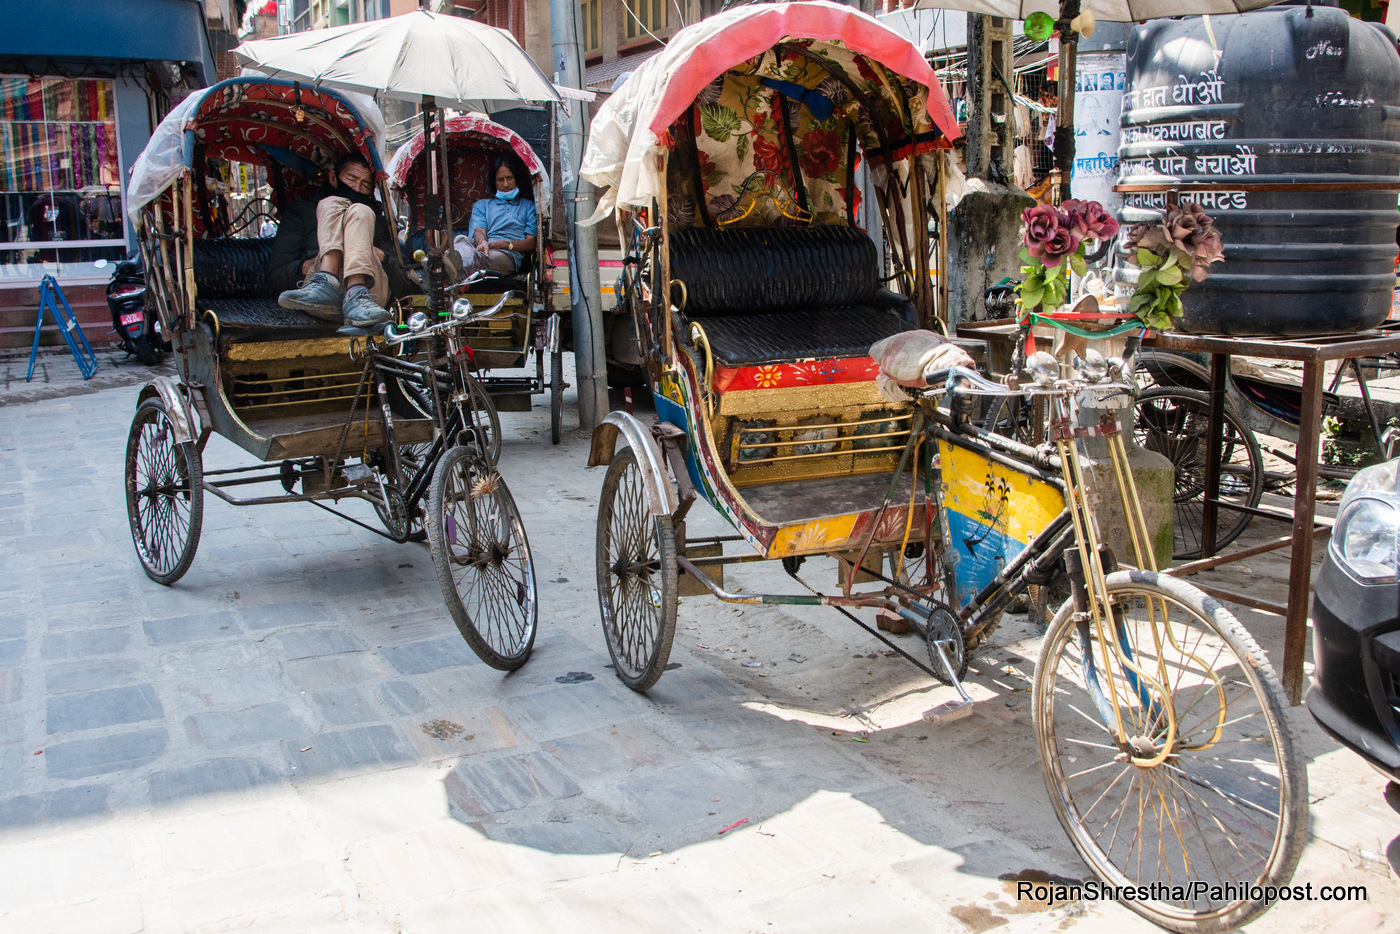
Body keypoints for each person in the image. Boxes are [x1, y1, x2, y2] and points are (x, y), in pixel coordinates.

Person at [271, 153, 410, 329]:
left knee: (360, 210)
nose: (357, 188)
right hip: (319, 301)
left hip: (370, 301)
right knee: (330, 204)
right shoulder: (302, 211)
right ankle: (326, 281)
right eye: (351, 178)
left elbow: (406, 289)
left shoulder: (379, 221)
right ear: (333, 178)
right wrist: (307, 267)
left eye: (365, 185)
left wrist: (382, 257)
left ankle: (357, 291)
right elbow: (275, 277)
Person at [451, 152, 537, 279]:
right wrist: (483, 242)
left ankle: (446, 271)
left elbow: (531, 242)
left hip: (506, 254)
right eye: (500, 180)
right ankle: (449, 266)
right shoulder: (482, 205)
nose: (506, 184)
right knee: (460, 240)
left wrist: (504, 244)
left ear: (517, 179)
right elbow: (479, 229)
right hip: (480, 248)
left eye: (510, 178)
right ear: (494, 181)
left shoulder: (529, 207)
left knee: (478, 258)